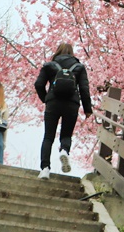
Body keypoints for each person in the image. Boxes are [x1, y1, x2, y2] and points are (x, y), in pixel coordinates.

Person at [35, 42, 92, 179]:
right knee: (66, 135)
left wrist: (46, 99)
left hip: (53, 103)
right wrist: (87, 109)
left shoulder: (49, 66)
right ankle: (64, 151)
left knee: (48, 137)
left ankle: (45, 169)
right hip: (71, 104)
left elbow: (38, 84)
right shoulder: (79, 67)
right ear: (72, 53)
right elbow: (84, 89)